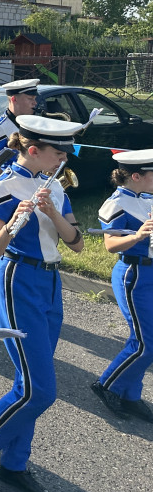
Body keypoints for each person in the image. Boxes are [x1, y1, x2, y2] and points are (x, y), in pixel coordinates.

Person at [0, 115, 85, 492]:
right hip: (17, 279)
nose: (64, 157)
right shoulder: (4, 186)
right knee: (40, 389)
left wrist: (51, 214)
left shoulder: (56, 187)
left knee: (30, 380)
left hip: (51, 281)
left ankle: (15, 463)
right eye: (57, 151)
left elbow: (77, 243)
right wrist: (16, 220)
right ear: (33, 150)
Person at [91, 150, 153, 422]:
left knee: (146, 339)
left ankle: (130, 395)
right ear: (137, 176)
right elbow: (110, 245)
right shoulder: (115, 203)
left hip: (150, 273)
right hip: (133, 273)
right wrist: (138, 235)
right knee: (145, 343)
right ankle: (107, 385)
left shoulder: (147, 197)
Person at [0, 79, 40, 177]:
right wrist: (13, 185)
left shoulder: (31, 123)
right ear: (14, 99)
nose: (35, 103)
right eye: (30, 98)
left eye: (35, 98)